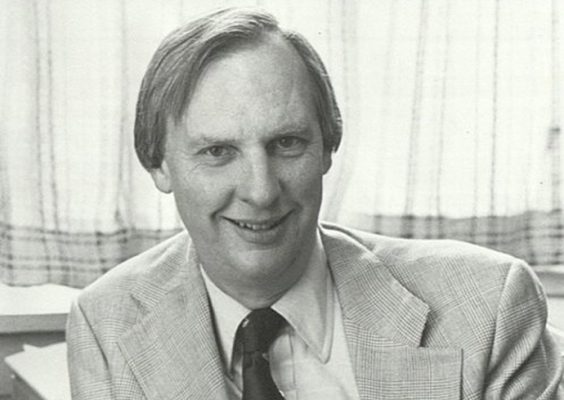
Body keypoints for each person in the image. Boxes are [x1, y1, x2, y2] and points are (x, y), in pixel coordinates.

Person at [66, 7, 563, 400]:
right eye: (219, 152)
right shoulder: (108, 323)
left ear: (328, 146)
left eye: (286, 144)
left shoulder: (487, 307)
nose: (260, 191)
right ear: (158, 165)